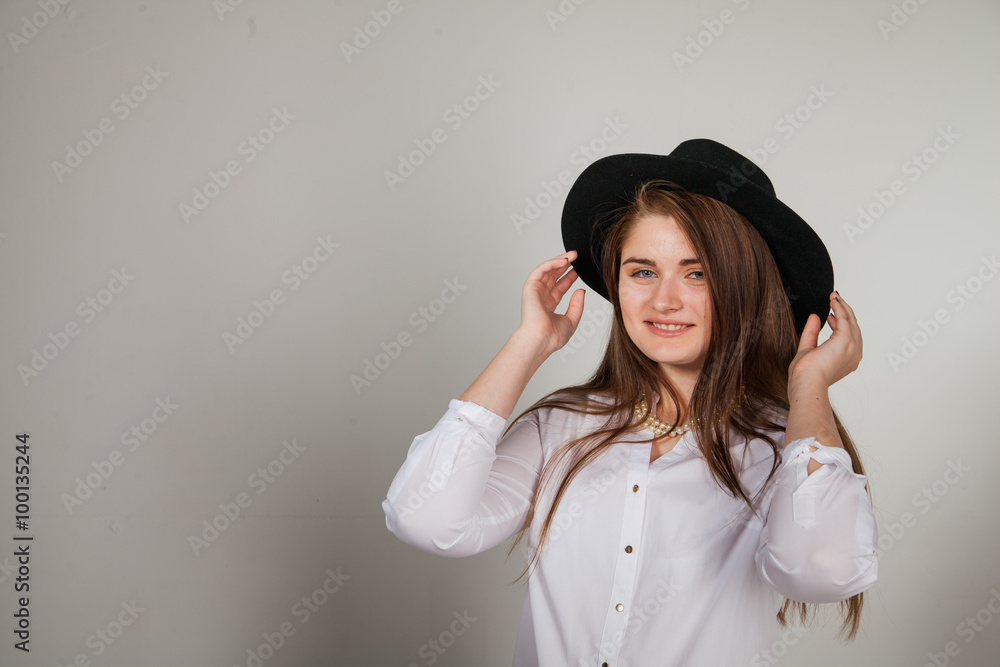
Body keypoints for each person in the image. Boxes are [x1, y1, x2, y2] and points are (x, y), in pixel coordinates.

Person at [382, 139, 878, 666]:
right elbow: (426, 519)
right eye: (643, 271)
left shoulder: (789, 447)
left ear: (746, 288)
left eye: (697, 273)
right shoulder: (562, 426)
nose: (663, 300)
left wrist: (808, 386)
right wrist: (530, 343)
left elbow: (821, 572)